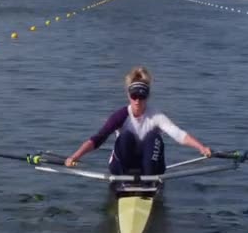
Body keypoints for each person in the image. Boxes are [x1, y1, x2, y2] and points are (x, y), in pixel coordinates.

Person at [64, 66, 211, 175]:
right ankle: (124, 182)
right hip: (122, 166)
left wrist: (201, 147)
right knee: (126, 136)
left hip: (150, 166)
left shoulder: (156, 116)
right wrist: (74, 156)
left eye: (142, 96)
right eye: (134, 96)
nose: (137, 101)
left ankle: (149, 181)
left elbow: (179, 135)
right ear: (128, 96)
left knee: (154, 137)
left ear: (147, 96)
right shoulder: (120, 116)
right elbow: (97, 139)